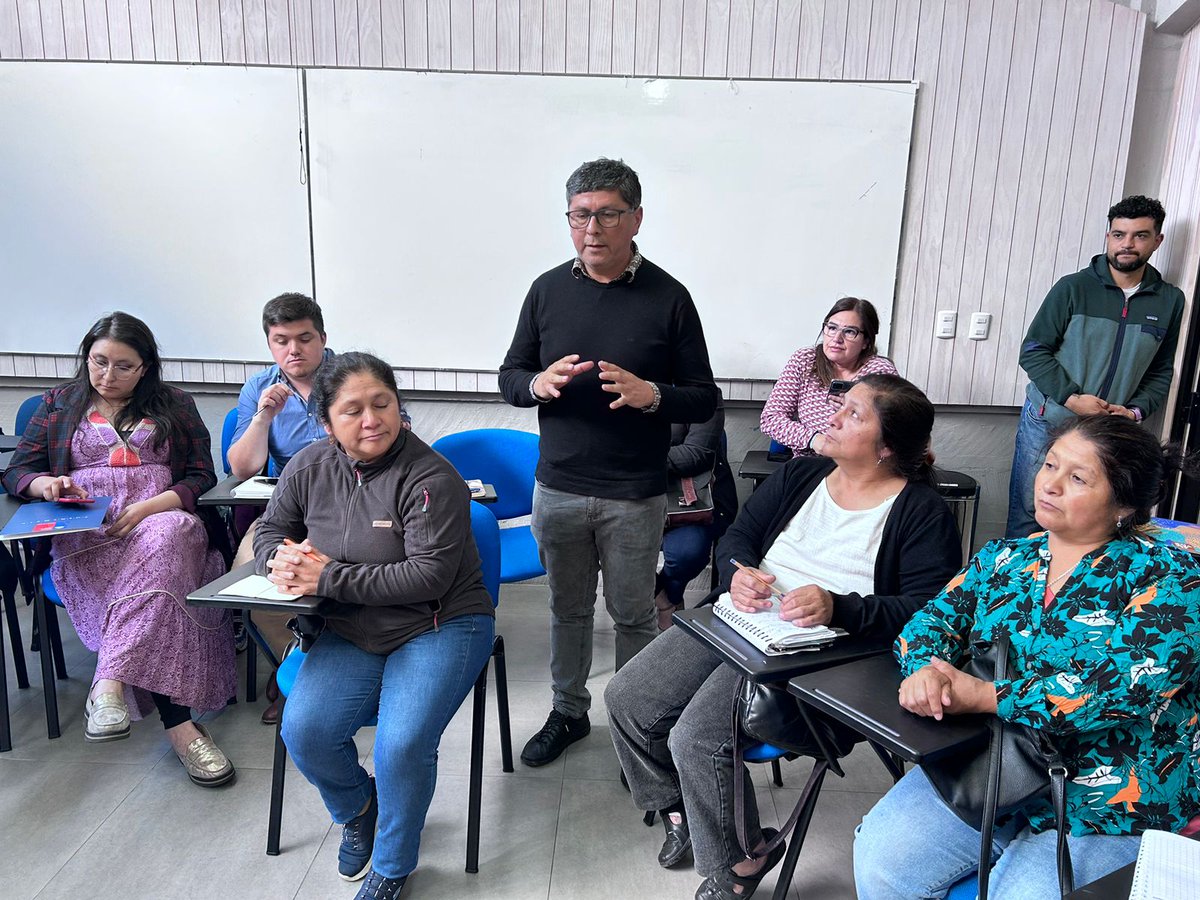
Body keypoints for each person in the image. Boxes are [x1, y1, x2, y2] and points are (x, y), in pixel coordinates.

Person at [606, 374, 963, 900]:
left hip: (825, 651)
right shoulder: (804, 473)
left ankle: (739, 862)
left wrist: (837, 607)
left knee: (698, 739)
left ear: (887, 448)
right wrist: (737, 573)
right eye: (840, 407)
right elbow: (739, 535)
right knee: (626, 698)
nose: (834, 418)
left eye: (854, 415)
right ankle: (678, 804)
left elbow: (928, 610)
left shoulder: (922, 513)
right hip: (744, 618)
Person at [855, 415, 1200, 899]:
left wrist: (989, 696)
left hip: (1107, 798)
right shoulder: (1006, 557)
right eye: (1050, 465)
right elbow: (928, 625)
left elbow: (1123, 688)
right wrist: (928, 672)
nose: (1050, 485)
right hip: (988, 765)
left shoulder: (1172, 578)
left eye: (1077, 478)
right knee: (883, 862)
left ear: (1123, 504)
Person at [498, 157, 719, 768]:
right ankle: (568, 712)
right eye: (579, 215)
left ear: (636, 219)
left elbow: (704, 395)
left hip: (633, 492)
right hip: (560, 487)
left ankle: (637, 728)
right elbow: (510, 376)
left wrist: (653, 396)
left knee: (632, 614)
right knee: (566, 610)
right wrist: (537, 384)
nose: (591, 228)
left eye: (607, 215)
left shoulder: (670, 297)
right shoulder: (546, 290)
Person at [254, 352, 495, 900]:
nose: (372, 420)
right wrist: (285, 558)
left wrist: (327, 578)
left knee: (402, 745)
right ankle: (360, 807)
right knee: (305, 731)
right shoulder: (309, 466)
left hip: (440, 623)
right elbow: (271, 530)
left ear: (398, 405)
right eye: (353, 410)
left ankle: (392, 864)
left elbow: (427, 578)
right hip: (353, 625)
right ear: (326, 422)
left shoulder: (432, 477)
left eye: (382, 403)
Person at [2, 312, 236, 786]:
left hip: (163, 521)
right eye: (98, 362)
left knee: (167, 538)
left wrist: (156, 505)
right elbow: (16, 472)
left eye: (123, 366)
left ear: (146, 366)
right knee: (156, 590)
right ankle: (183, 731)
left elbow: (201, 475)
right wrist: (48, 484)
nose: (108, 376)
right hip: (89, 535)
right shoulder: (59, 403)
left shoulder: (176, 403)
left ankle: (108, 683)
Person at [1006, 195, 1184, 539]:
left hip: (1107, 434)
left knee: (1092, 521)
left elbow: (1162, 369)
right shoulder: (1073, 288)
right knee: (1033, 512)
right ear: (1108, 237)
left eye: (1140, 235)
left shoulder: (1169, 300)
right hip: (1049, 421)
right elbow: (1033, 351)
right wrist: (1072, 399)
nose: (1127, 244)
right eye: (1119, 234)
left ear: (1157, 240)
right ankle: (1014, 588)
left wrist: (1133, 412)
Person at [759, 297, 898, 457]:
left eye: (849, 332)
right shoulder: (805, 361)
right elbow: (770, 419)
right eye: (832, 328)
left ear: (866, 341)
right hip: (810, 464)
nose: (837, 339)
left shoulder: (880, 372)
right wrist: (813, 439)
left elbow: (895, 429)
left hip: (860, 465)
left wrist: (857, 412)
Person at [655, 392, 739, 630]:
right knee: (606, 542)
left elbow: (696, 455)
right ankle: (664, 602)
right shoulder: (612, 383)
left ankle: (668, 595)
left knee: (687, 553)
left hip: (689, 503)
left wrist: (632, 457)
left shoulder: (699, 390)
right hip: (627, 494)